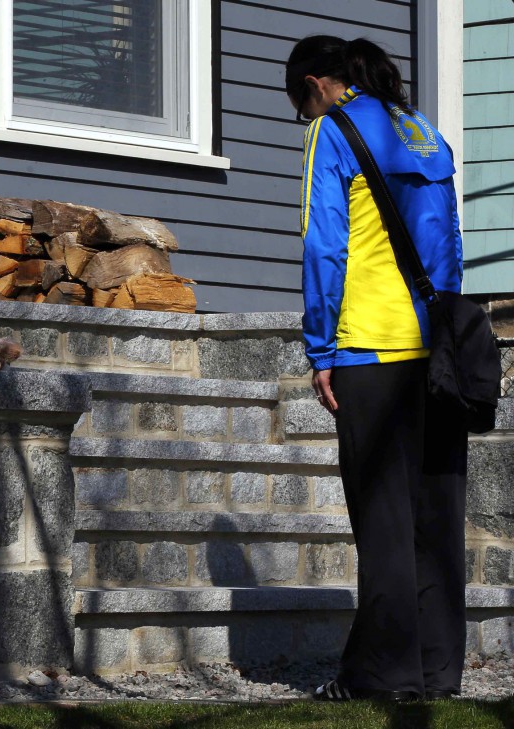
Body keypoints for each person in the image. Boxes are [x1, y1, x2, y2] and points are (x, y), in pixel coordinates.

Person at [284, 35, 468, 702]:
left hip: (369, 349)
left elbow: (322, 244)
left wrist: (321, 348)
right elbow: (449, 241)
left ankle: (384, 674)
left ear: (314, 85)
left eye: (301, 103)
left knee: (385, 517)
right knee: (437, 518)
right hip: (434, 350)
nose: (305, 115)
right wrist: (442, 328)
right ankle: (439, 670)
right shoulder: (423, 131)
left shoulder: (331, 130)